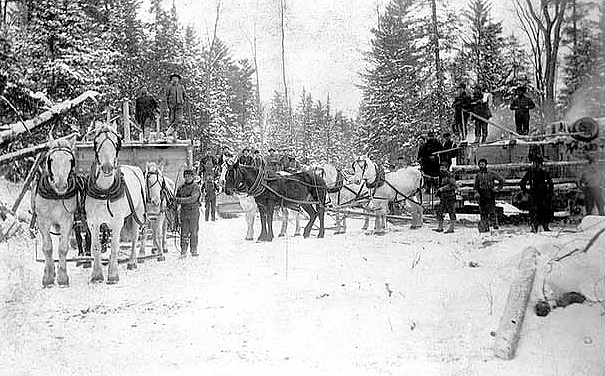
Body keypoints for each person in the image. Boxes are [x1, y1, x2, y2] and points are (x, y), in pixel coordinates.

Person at [520, 155, 554, 232]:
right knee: (533, 212)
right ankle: (534, 227)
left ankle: (545, 226)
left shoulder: (545, 173)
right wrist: (527, 191)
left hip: (544, 195)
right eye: (535, 163)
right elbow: (522, 183)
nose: (536, 165)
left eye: (538, 163)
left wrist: (549, 192)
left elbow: (551, 184)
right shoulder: (530, 173)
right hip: (533, 194)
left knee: (545, 211)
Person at [174, 168, 200, 257]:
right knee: (184, 232)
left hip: (194, 212)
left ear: (193, 177)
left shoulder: (196, 187)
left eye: (190, 176)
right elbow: (176, 199)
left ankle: (194, 250)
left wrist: (179, 200)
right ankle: (183, 251)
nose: (188, 178)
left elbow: (192, 199)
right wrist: (174, 201)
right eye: (186, 176)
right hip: (184, 213)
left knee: (194, 232)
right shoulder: (181, 188)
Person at [474, 158, 505, 232]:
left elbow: (501, 180)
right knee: (483, 212)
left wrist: (497, 189)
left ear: (486, 165)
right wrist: (476, 192)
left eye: (483, 164)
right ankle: (485, 227)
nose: (481, 166)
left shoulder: (491, 173)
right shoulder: (478, 175)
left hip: (490, 194)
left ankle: (495, 226)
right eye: (480, 164)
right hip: (481, 194)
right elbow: (476, 186)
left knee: (492, 211)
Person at [433, 161, 457, 233]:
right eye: (441, 168)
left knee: (451, 212)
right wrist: (437, 191)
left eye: (443, 168)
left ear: (447, 168)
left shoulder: (450, 175)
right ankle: (440, 227)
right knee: (439, 212)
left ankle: (451, 228)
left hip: (450, 196)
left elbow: (453, 185)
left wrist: (442, 189)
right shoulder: (440, 176)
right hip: (443, 197)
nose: (441, 169)